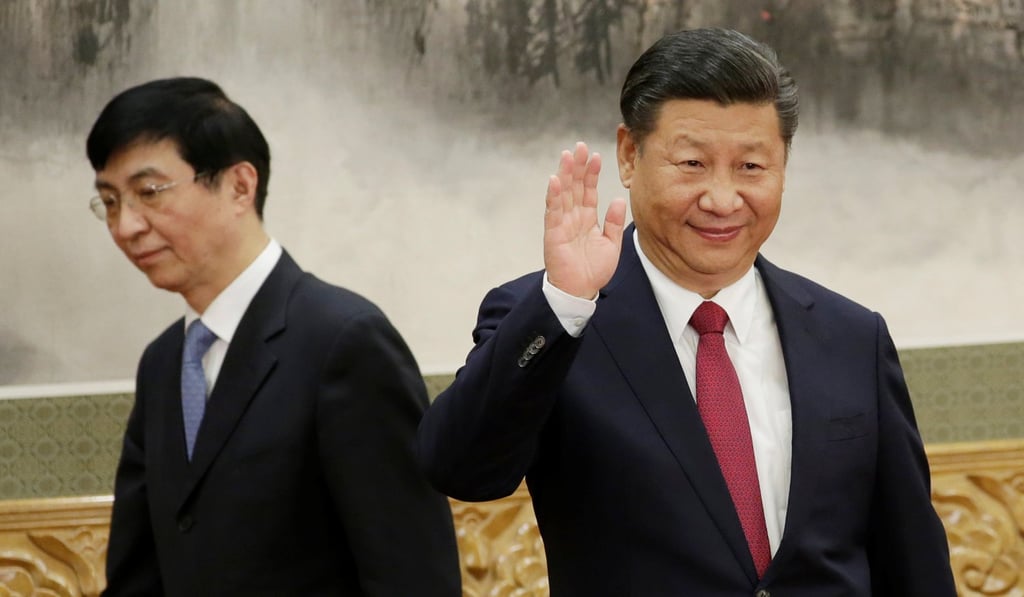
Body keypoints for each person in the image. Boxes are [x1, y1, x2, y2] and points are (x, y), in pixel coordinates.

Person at [417, 28, 956, 595]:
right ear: (630, 154)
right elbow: (459, 468)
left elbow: (912, 559)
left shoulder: (851, 336)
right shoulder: (558, 321)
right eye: (693, 163)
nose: (723, 199)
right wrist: (565, 304)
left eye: (751, 167)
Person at [87, 77, 461, 596]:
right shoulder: (164, 362)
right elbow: (139, 575)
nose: (126, 226)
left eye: (149, 193)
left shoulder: (344, 341)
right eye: (109, 201)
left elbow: (413, 576)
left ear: (240, 186)